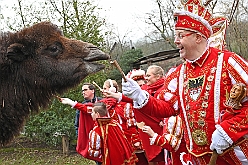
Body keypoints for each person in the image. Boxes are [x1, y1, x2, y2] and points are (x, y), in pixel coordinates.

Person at [122, 0, 248, 164]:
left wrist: (229, 131)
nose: (175, 41)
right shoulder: (178, 74)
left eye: (181, 35)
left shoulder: (228, 62)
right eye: (176, 35)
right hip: (195, 158)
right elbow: (166, 107)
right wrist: (140, 96)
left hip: (232, 157)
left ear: (198, 37)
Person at [60, 83, 102, 164]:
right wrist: (81, 138)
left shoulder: (101, 102)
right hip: (91, 140)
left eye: (85, 90)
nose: (83, 92)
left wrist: (72, 103)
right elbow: (77, 125)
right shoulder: (81, 107)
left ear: (92, 90)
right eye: (82, 90)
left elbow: (90, 109)